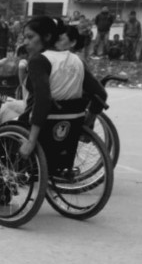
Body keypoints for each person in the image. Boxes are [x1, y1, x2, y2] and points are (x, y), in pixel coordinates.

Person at [10, 16, 106, 158]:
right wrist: (85, 125)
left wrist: (31, 141)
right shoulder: (77, 60)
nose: (25, 42)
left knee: (1, 121)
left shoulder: (40, 61)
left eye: (30, 37)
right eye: (25, 38)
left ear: (47, 36)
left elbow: (43, 100)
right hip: (68, 132)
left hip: (38, 129)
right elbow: (100, 95)